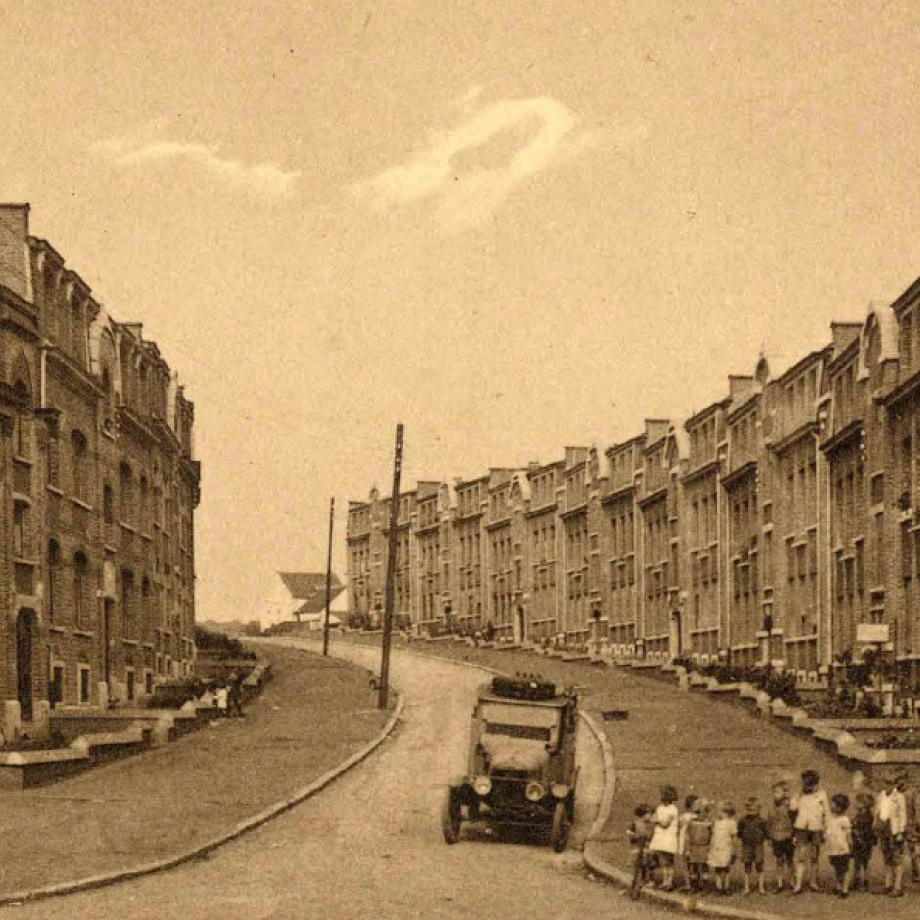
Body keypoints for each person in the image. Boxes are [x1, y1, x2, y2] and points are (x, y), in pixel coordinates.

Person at [790, 769, 830, 893]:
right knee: (801, 856)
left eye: (810, 784)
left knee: (814, 856)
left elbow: (827, 813)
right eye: (805, 784)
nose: (807, 787)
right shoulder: (800, 795)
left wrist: (827, 829)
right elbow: (792, 807)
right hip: (802, 828)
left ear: (816, 784)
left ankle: (813, 882)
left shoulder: (822, 795)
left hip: (816, 828)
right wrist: (797, 796)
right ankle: (798, 884)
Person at [876, 773, 909, 896]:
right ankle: (888, 885)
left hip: (894, 830)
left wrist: (900, 831)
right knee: (887, 858)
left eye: (890, 783)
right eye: (885, 782)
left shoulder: (899, 797)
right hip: (884, 829)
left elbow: (903, 815)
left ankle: (898, 887)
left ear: (895, 784)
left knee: (897, 858)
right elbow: (878, 811)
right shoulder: (882, 795)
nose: (887, 785)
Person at [648, 785, 680, 890]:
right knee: (663, 861)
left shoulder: (673, 809)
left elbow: (665, 824)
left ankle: (669, 882)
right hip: (660, 837)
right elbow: (654, 819)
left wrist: (656, 821)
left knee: (668, 861)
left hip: (668, 837)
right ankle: (665, 881)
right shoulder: (659, 808)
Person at [766, 780, 795, 892]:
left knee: (789, 860)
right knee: (778, 860)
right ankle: (780, 883)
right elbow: (769, 822)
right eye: (774, 792)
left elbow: (794, 821)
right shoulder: (772, 807)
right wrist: (769, 837)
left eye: (777, 792)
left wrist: (794, 835)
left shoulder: (790, 807)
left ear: (785, 793)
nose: (775, 795)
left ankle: (792, 881)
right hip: (776, 837)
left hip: (788, 836)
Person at [737, 797, 768, 895]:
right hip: (747, 846)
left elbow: (765, 832)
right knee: (747, 865)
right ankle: (746, 887)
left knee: (759, 865)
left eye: (754, 810)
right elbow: (739, 832)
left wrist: (764, 840)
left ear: (759, 809)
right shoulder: (743, 820)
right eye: (749, 810)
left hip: (758, 846)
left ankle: (761, 887)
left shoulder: (762, 821)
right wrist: (743, 840)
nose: (751, 812)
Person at [826, 793, 853, 898]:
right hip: (834, 849)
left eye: (834, 805)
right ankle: (838, 886)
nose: (831, 807)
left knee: (844, 869)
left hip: (842, 849)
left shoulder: (844, 820)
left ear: (840, 807)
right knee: (837, 868)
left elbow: (848, 835)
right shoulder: (831, 819)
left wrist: (850, 847)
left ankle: (845, 889)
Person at [708, 803, 738, 895]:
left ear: (726, 813)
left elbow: (734, 836)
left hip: (726, 848)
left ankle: (727, 886)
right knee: (718, 868)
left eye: (719, 811)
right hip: (717, 848)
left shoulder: (731, 823)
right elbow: (713, 835)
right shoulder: (716, 823)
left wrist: (734, 848)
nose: (717, 813)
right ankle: (719, 887)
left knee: (726, 868)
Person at [686, 800, 713, 892]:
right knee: (694, 866)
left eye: (704, 812)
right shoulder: (692, 822)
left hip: (704, 847)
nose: (701, 815)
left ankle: (705, 886)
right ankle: (695, 886)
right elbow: (688, 835)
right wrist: (688, 849)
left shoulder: (708, 823)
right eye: (698, 812)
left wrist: (710, 846)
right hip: (694, 846)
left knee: (705, 866)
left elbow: (711, 835)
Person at [851, 791, 876, 891]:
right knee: (858, 862)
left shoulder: (867, 817)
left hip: (864, 841)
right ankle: (858, 880)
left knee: (863, 862)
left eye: (858, 802)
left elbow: (867, 831)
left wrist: (856, 831)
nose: (856, 804)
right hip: (859, 841)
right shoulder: (860, 815)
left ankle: (864, 881)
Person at [628, 804, 653, 899]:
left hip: (645, 849)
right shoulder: (635, 823)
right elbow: (630, 834)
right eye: (649, 814)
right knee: (637, 869)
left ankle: (640, 886)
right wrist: (636, 837)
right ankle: (634, 889)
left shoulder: (648, 825)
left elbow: (649, 837)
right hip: (637, 849)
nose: (650, 817)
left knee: (645, 867)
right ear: (644, 814)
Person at [677, 795, 699, 891]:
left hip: (693, 842)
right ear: (691, 805)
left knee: (693, 864)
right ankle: (688, 883)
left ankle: (693, 884)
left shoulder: (696, 816)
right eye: (696, 804)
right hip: (685, 841)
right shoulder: (685, 817)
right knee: (686, 863)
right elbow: (680, 829)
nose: (698, 806)